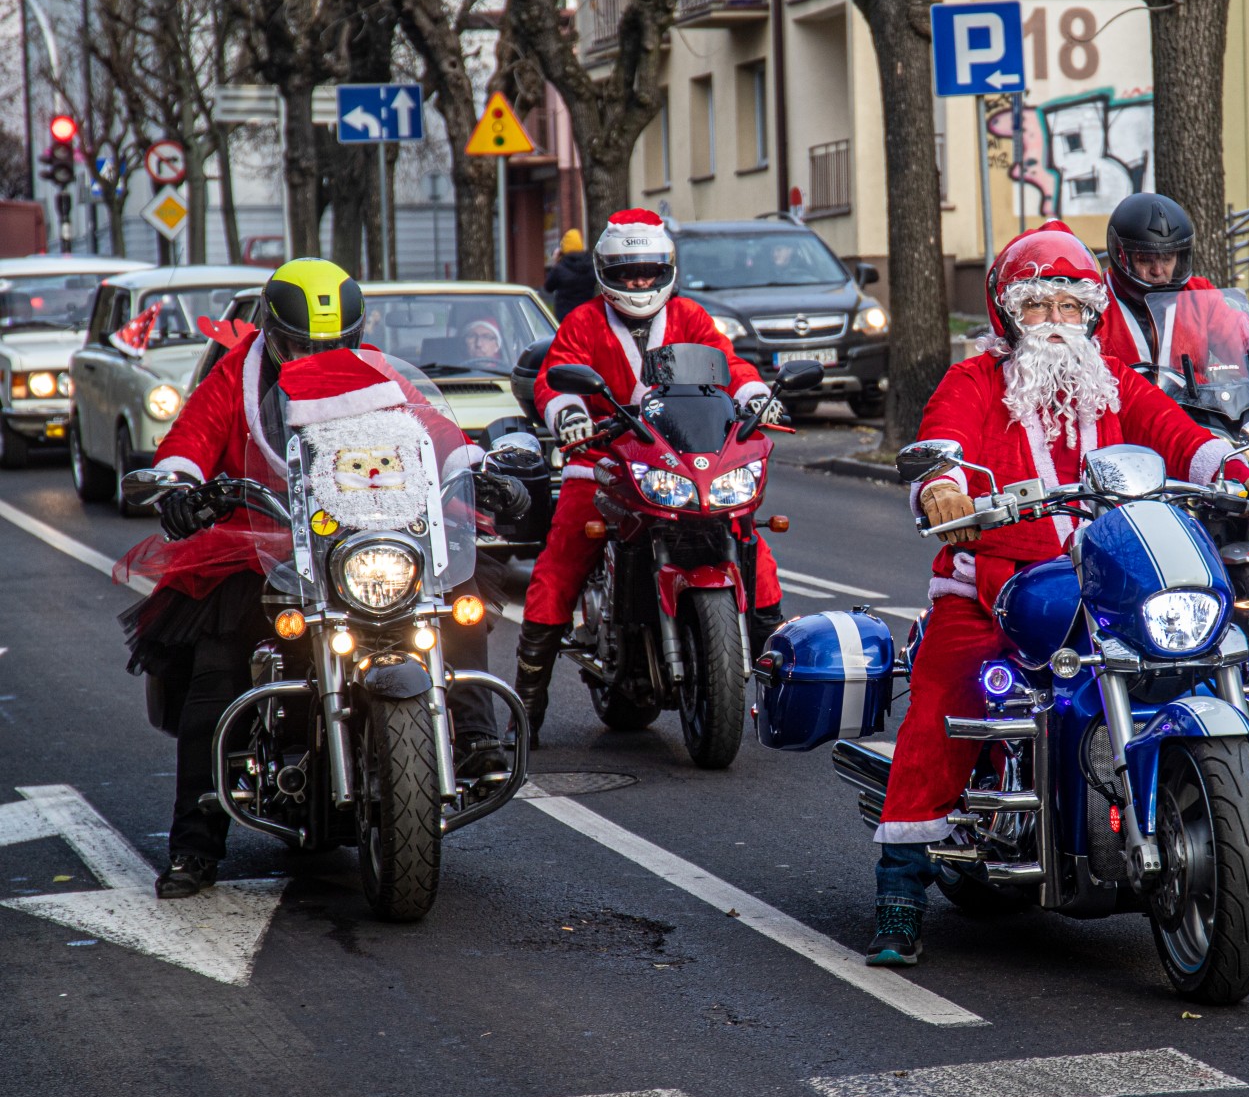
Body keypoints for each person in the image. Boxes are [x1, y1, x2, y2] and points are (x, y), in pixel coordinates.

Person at [864, 221, 1249, 967]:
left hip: (1114, 576)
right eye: (1037, 306)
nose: (1054, 323)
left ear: (1092, 314)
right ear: (1007, 313)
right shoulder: (975, 381)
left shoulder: (1112, 379)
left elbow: (1180, 436)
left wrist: (1238, 475)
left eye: (1069, 307)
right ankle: (902, 885)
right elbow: (941, 444)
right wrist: (944, 490)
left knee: (1213, 660)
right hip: (997, 581)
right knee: (947, 690)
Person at [121, 258, 527, 899]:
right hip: (268, 541)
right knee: (218, 665)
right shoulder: (239, 377)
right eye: (303, 346)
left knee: (459, 596)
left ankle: (475, 738)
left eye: (334, 344)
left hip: (367, 539)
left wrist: (483, 465)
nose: (318, 356)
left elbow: (433, 428)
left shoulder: (377, 372)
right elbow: (191, 436)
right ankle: (195, 845)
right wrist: (179, 482)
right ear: (271, 333)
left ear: (355, 335)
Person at [514, 209, 787, 748]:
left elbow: (730, 366)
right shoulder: (584, 322)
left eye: (648, 271)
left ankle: (786, 692)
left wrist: (757, 397)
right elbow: (554, 377)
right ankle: (524, 712)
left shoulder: (690, 316)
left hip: (687, 461)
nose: (639, 282)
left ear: (666, 269)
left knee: (752, 544)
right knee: (561, 563)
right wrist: (567, 412)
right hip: (603, 462)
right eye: (626, 272)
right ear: (604, 272)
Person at [1097, 192, 1249, 380]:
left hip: (1196, 412)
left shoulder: (1197, 294)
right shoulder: (1095, 302)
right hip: (1123, 411)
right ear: (1121, 257)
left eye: (1167, 259)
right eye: (1145, 260)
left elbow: (1241, 335)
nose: (1158, 270)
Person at [544, 228, 597, 321]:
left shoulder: (560, 268)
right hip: (586, 316)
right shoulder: (591, 266)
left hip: (565, 317)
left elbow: (548, 287)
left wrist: (555, 263)